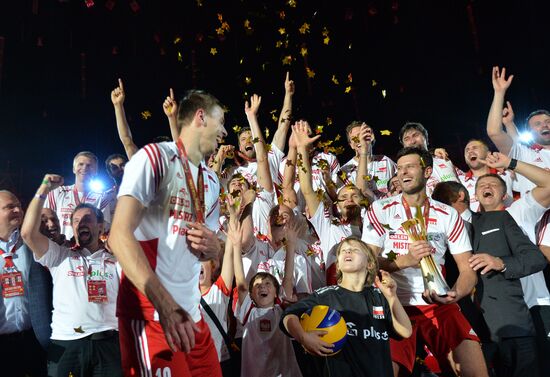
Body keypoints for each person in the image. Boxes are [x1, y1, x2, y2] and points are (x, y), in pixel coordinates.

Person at [109, 89, 227, 377]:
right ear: (201, 116)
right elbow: (118, 236)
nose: (224, 132)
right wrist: (166, 306)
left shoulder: (210, 180)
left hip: (192, 318)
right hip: (153, 316)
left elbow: (207, 248)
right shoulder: (154, 158)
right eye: (220, 122)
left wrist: (216, 248)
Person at [362, 147, 487, 377]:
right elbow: (367, 262)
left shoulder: (448, 214)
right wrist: (404, 261)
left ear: (427, 171)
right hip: (392, 302)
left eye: (410, 166)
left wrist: (454, 294)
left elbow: (467, 270)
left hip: (437, 303)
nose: (402, 172)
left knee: (474, 370)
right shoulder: (380, 209)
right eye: (399, 168)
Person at [22, 176, 121, 377]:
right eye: (76, 221)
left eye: (87, 219)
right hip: (67, 345)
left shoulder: (116, 259)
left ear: (101, 226)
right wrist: (44, 189)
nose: (80, 223)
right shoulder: (60, 255)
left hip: (109, 345)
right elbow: (28, 234)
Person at [281, 237, 412, 377]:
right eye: (343, 251)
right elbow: (288, 316)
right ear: (338, 266)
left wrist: (392, 297)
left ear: (370, 264)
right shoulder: (326, 295)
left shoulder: (379, 296)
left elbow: (405, 331)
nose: (348, 251)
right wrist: (303, 337)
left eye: (355, 249)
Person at [470, 174, 546, 377]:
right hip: (474, 327)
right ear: (475, 194)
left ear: (504, 195)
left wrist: (500, 262)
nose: (487, 187)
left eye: (493, 184)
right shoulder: (464, 223)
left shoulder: (504, 218)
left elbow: (536, 259)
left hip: (510, 321)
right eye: (481, 185)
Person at [231, 207, 302, 377]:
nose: (262, 286)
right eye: (257, 284)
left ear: (277, 292)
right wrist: (235, 246)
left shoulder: (281, 308)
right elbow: (241, 281)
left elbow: (287, 279)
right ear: (250, 293)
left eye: (268, 283)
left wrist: (291, 246)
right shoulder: (247, 309)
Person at [293, 120, 366, 285]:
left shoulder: (371, 228)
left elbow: (362, 186)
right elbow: (307, 189)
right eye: (344, 197)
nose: (349, 199)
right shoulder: (328, 227)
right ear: (336, 205)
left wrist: (364, 151)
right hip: (338, 296)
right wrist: (302, 150)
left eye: (354, 196)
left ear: (363, 202)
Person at [0, 190, 52, 377]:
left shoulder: (31, 241)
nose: (18, 210)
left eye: (19, 206)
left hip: (35, 337)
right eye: (9, 207)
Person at [213, 72, 293, 187]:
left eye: (252, 137)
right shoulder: (232, 172)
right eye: (243, 139)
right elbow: (212, 184)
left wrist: (288, 95)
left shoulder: (271, 156)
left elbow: (283, 126)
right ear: (240, 147)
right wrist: (220, 156)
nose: (248, 141)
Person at [486, 66, 550, 195]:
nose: (544, 126)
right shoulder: (524, 154)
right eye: (537, 124)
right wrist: (499, 93)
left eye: (548, 122)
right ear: (529, 132)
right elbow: (494, 132)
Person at [43, 151, 114, 239]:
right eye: (80, 164)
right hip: (60, 249)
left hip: (87, 251)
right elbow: (45, 221)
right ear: (73, 169)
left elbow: (102, 229)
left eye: (89, 165)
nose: (84, 168)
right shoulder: (57, 193)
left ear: (95, 171)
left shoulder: (102, 197)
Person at [338, 121, 397, 198]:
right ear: (351, 145)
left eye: (361, 135)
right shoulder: (344, 171)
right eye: (354, 138)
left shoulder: (386, 161)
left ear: (371, 137)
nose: (359, 140)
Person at [398, 122, 459, 194]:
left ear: (426, 138)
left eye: (415, 135)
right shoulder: (402, 171)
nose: (412, 141)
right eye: (406, 139)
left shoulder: (444, 157)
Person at [458, 139, 514, 211]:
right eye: (467, 150)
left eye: (475, 148)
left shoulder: (506, 174)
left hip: (508, 221)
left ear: (488, 154)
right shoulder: (459, 182)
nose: (470, 151)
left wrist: (511, 166)